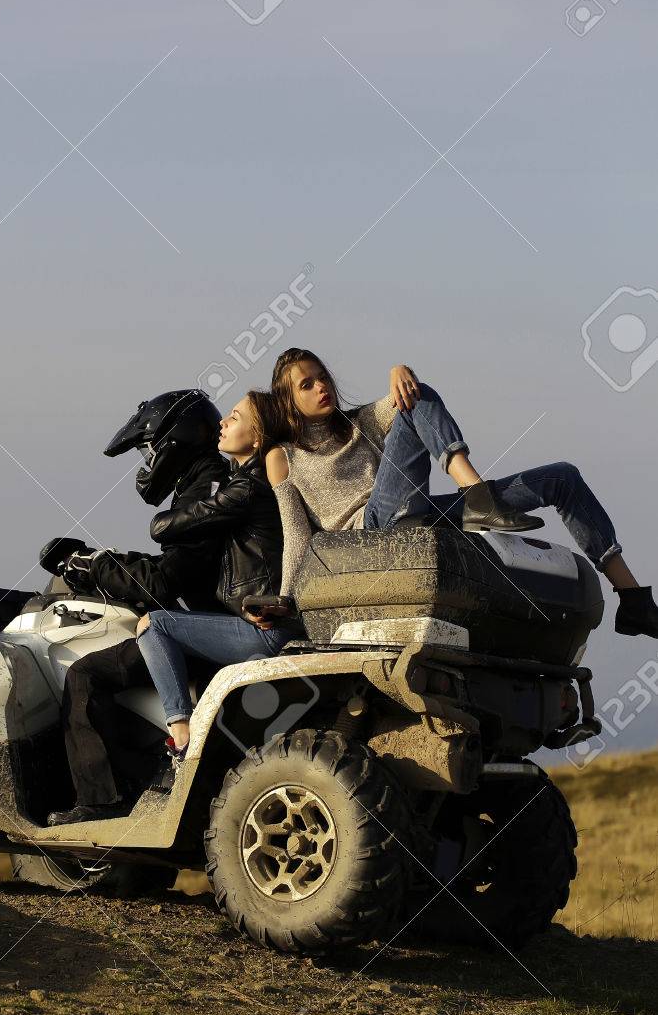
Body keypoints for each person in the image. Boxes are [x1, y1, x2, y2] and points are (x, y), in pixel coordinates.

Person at [265, 347, 658, 638]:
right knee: (413, 401)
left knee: (563, 478)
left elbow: (407, 390)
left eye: (322, 377)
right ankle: (477, 494)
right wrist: (285, 600)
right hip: (369, 537)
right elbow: (296, 536)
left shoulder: (361, 422)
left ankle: (633, 599)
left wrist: (399, 368)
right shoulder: (284, 456)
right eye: (307, 384)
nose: (322, 387)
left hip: (417, 516)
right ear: (288, 403)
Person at [46, 389, 229, 827]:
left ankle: (104, 802)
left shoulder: (207, 490)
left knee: (85, 676)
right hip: (212, 618)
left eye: (148, 449)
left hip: (212, 629)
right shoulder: (209, 482)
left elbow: (165, 581)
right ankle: (144, 780)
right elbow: (178, 569)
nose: (147, 462)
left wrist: (95, 565)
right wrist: (113, 565)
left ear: (175, 438)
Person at [135, 390, 300, 767]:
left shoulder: (247, 487)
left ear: (257, 439)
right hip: (261, 620)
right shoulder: (244, 482)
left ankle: (181, 736)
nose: (223, 423)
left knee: (153, 626)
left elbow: (163, 527)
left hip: (268, 632)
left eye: (235, 417)